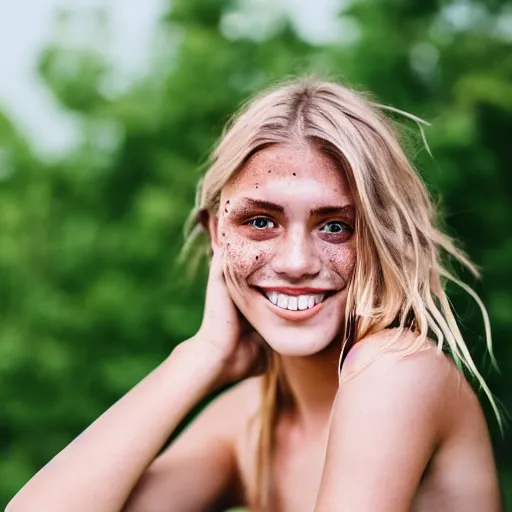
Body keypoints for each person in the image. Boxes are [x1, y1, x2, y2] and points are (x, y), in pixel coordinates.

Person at [6, 77, 502, 512]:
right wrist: (202, 355)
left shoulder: (395, 372)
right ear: (217, 235)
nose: (295, 262)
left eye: (335, 226)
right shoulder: (250, 419)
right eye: (260, 222)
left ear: (381, 237)